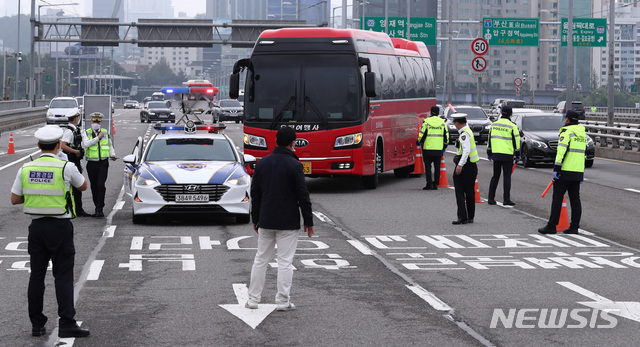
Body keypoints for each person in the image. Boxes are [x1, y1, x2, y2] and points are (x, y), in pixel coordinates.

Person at [10, 125, 90, 338]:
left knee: (36, 276)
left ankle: (37, 325)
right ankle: (66, 323)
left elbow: (15, 199)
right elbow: (83, 187)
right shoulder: (65, 167)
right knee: (62, 276)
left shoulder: (25, 169)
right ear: (57, 146)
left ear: (38, 146)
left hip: (36, 228)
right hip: (60, 227)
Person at [246, 127, 314, 311]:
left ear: (276, 141)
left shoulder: (262, 163)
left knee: (261, 259)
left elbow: (256, 194)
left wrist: (256, 218)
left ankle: (253, 299)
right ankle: (282, 300)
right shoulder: (294, 165)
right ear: (293, 143)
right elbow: (303, 195)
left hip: (266, 219)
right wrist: (308, 221)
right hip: (288, 221)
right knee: (285, 262)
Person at [538, 110, 587, 235]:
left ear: (567, 119)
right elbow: (584, 155)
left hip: (565, 171)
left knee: (557, 198)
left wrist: (557, 168)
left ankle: (551, 226)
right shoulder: (582, 135)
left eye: (565, 118)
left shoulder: (566, 133)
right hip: (577, 171)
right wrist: (581, 172)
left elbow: (561, 151)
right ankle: (574, 227)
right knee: (575, 199)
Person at [84, 112, 117, 218]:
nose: (96, 123)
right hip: (91, 163)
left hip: (103, 163)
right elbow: (85, 145)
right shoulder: (87, 132)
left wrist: (113, 154)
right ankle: (97, 207)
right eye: (94, 121)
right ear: (91, 122)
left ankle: (100, 209)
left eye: (98, 121)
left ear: (101, 122)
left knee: (100, 185)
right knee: (94, 186)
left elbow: (109, 145)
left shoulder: (105, 132)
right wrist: (98, 137)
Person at [486, 105, 520, 206]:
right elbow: (516, 141)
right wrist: (517, 154)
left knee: (495, 176)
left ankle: (491, 199)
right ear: (511, 114)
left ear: (501, 113)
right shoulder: (512, 126)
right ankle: (506, 200)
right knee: (507, 177)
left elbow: (489, 140)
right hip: (507, 154)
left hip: (496, 154)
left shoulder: (494, 125)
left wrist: (489, 152)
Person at [60, 113, 91, 217]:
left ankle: (78, 208)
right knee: (76, 185)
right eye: (77, 117)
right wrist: (75, 152)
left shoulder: (75, 129)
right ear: (75, 118)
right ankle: (76, 208)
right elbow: (63, 146)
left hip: (76, 160)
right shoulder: (69, 131)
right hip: (71, 160)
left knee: (76, 186)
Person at [451, 113, 479, 225]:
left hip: (465, 166)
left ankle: (462, 217)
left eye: (454, 122)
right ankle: (470, 217)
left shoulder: (464, 134)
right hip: (471, 166)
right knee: (470, 192)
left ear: (458, 123)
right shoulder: (468, 131)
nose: (454, 124)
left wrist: (459, 165)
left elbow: (466, 151)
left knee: (460, 192)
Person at [418, 105, 449, 190]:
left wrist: (419, 141)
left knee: (428, 167)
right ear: (439, 113)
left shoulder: (426, 122)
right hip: (438, 149)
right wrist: (445, 145)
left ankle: (429, 183)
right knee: (437, 167)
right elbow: (446, 135)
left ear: (430, 112)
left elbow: (422, 134)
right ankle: (436, 184)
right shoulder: (442, 123)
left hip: (427, 149)